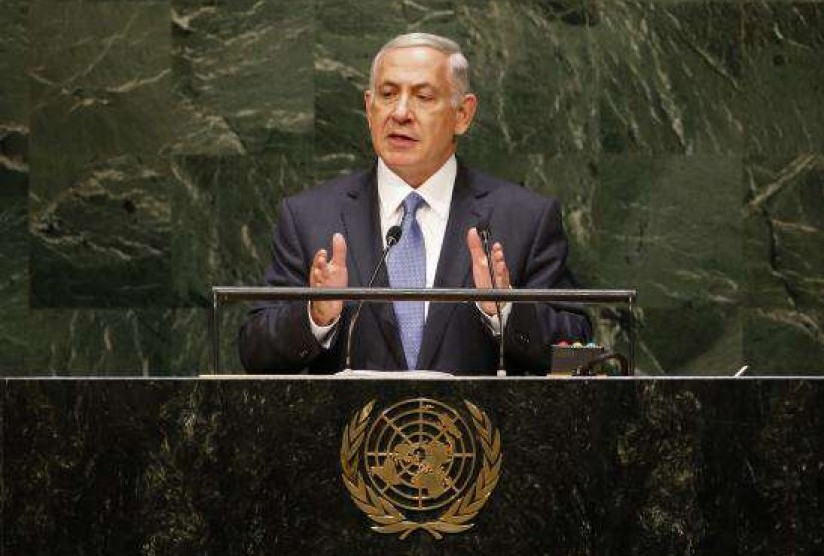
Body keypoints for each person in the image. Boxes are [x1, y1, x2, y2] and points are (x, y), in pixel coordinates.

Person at [238, 33, 590, 375]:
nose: (401, 112)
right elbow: (255, 352)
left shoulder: (525, 218)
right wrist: (315, 316)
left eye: (423, 97)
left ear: (462, 114)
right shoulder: (309, 217)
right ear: (368, 107)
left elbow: (575, 350)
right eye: (388, 94)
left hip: (480, 434)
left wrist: (506, 310)